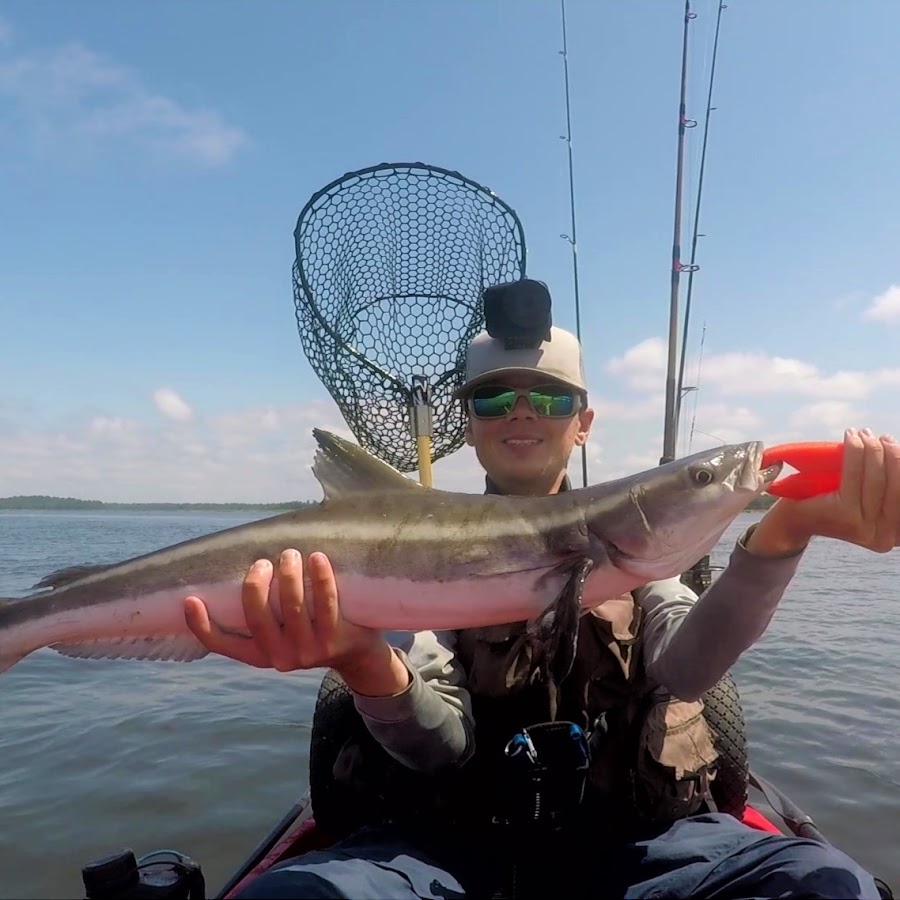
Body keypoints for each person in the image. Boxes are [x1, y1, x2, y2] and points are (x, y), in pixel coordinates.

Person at [183, 299, 898, 899]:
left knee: (825, 886)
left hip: (645, 854)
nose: (523, 413)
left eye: (551, 398)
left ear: (583, 422)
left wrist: (787, 531)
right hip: (448, 856)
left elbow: (687, 668)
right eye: (494, 397)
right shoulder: (411, 567)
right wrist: (363, 662)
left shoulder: (640, 558)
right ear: (470, 423)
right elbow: (441, 749)